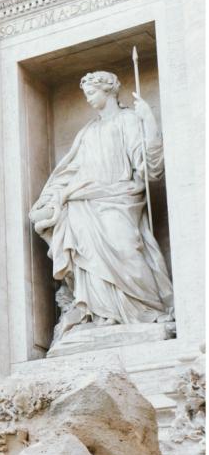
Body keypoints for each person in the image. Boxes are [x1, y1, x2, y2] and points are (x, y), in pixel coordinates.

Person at [29, 71, 174, 344]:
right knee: (89, 260)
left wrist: (150, 122)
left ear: (108, 91)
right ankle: (101, 314)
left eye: (92, 92)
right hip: (84, 203)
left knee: (127, 249)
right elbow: (71, 171)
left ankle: (149, 311)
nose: (88, 98)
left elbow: (148, 169)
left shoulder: (128, 120)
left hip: (119, 198)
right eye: (85, 95)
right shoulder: (88, 131)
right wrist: (53, 199)